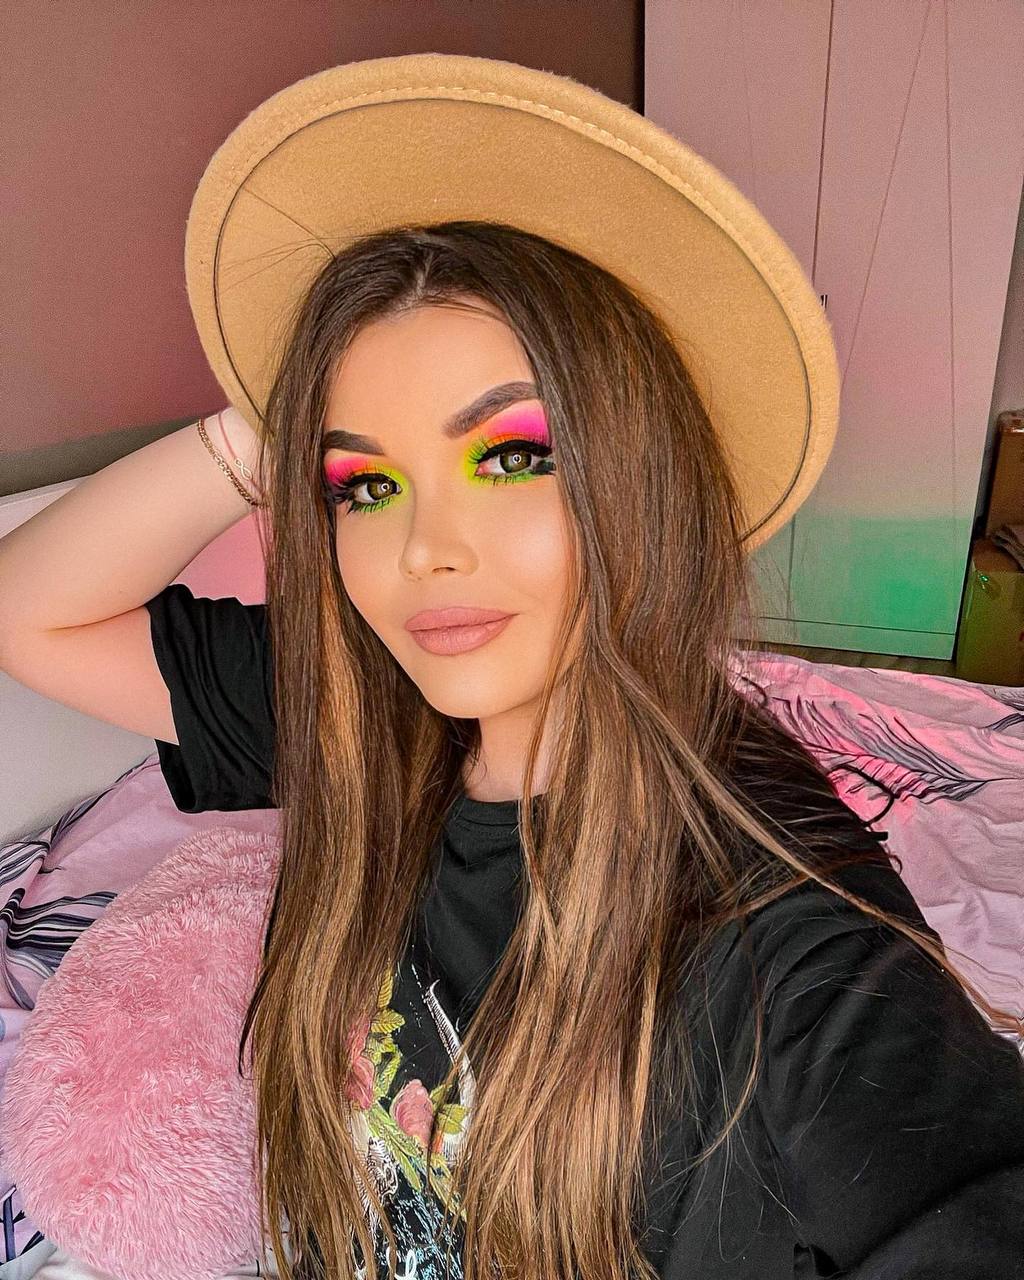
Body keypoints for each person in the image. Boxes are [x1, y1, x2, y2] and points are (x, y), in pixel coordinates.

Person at [1, 55, 1022, 1280]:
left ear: (640, 480)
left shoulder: (777, 943)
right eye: (365, 483)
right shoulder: (360, 712)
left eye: (513, 456)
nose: (424, 550)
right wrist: (264, 426)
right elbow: (30, 612)